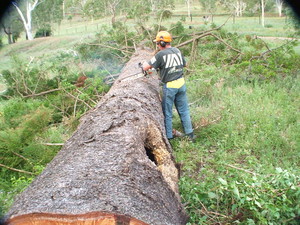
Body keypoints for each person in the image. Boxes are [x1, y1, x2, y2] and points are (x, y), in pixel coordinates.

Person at [142, 31, 196, 141]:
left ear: (162, 43)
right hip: (181, 84)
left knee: (167, 113)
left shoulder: (160, 55)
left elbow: (146, 67)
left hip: (170, 86)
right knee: (184, 110)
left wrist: (143, 64)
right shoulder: (177, 51)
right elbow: (184, 64)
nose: (157, 45)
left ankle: (169, 138)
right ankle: (190, 134)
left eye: (157, 43)